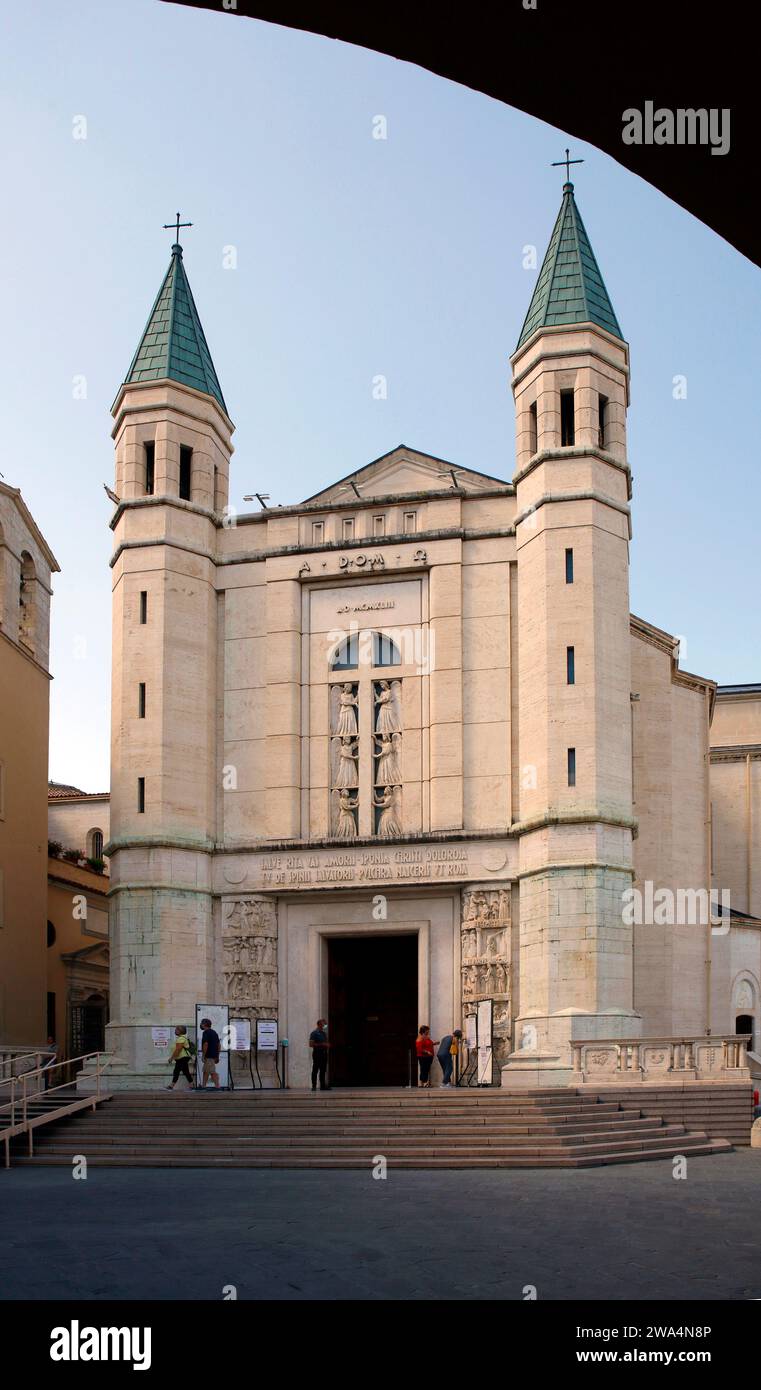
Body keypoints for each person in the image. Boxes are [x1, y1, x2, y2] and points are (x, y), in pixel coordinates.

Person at [166, 1025, 194, 1090]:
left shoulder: (181, 1038)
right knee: (186, 1072)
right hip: (182, 1058)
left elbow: (178, 1049)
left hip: (182, 1058)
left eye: (176, 1029)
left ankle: (171, 1086)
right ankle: (192, 1085)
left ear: (180, 1031)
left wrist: (171, 1058)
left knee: (176, 1071)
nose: (175, 1031)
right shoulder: (181, 1038)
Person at [309, 1018, 330, 1091]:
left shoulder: (324, 1033)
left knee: (323, 1070)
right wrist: (322, 1044)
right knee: (315, 1070)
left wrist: (327, 1045)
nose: (325, 1026)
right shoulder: (314, 1033)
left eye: (325, 1024)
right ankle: (314, 1086)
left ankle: (323, 1086)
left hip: (324, 1054)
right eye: (324, 1024)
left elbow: (325, 1042)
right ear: (319, 1025)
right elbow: (311, 1044)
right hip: (317, 1054)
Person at [200, 1017, 221, 1090]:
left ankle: (217, 1086)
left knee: (211, 1072)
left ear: (204, 1024)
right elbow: (219, 1045)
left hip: (209, 1056)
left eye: (202, 1023)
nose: (201, 1025)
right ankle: (204, 1085)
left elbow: (205, 1044)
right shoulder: (214, 1032)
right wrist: (217, 1055)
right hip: (213, 1056)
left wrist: (203, 1055)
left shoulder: (205, 1032)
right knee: (206, 1071)